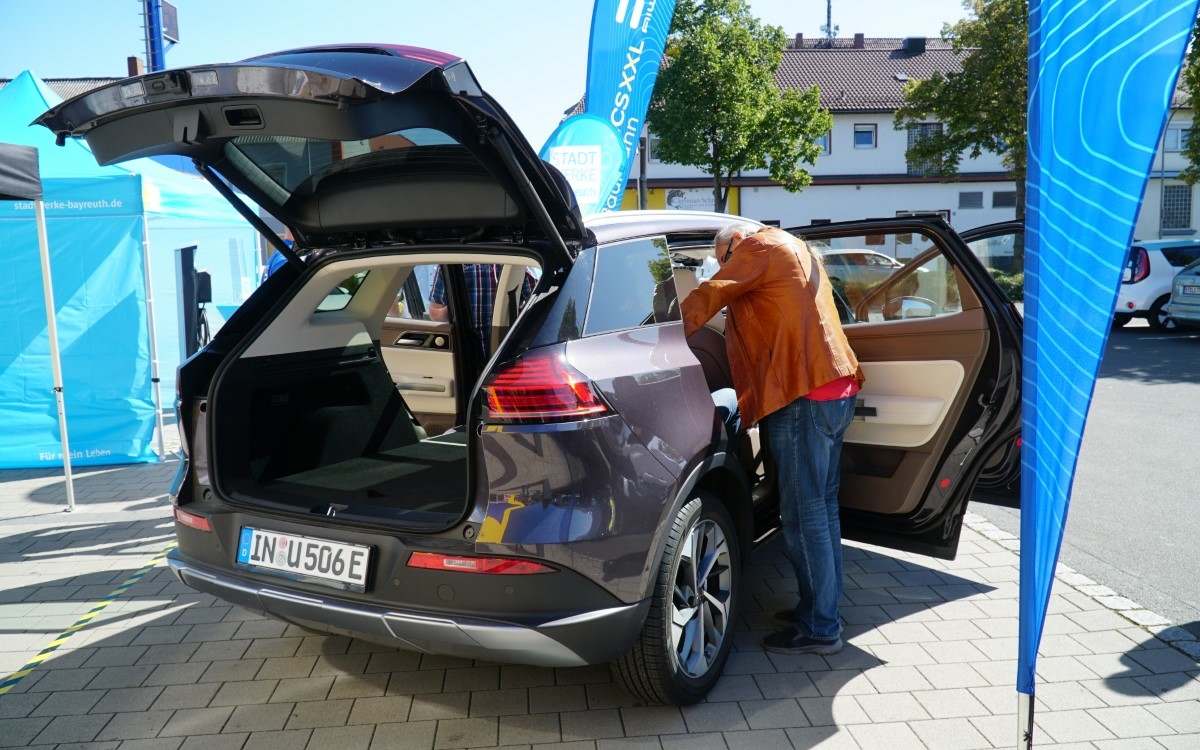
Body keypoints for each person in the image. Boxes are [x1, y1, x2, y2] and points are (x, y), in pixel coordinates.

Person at [680, 222, 864, 656]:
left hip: (802, 394)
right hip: (834, 386)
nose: (726, 264)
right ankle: (821, 610)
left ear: (732, 246)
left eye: (723, 257)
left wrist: (666, 331)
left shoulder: (756, 246)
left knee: (804, 517)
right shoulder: (796, 247)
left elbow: (713, 293)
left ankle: (821, 628)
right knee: (823, 509)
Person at [429, 264, 536, 357]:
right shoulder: (512, 260)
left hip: (502, 346)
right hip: (468, 350)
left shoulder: (451, 260)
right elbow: (536, 303)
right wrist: (456, 309)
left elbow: (534, 303)